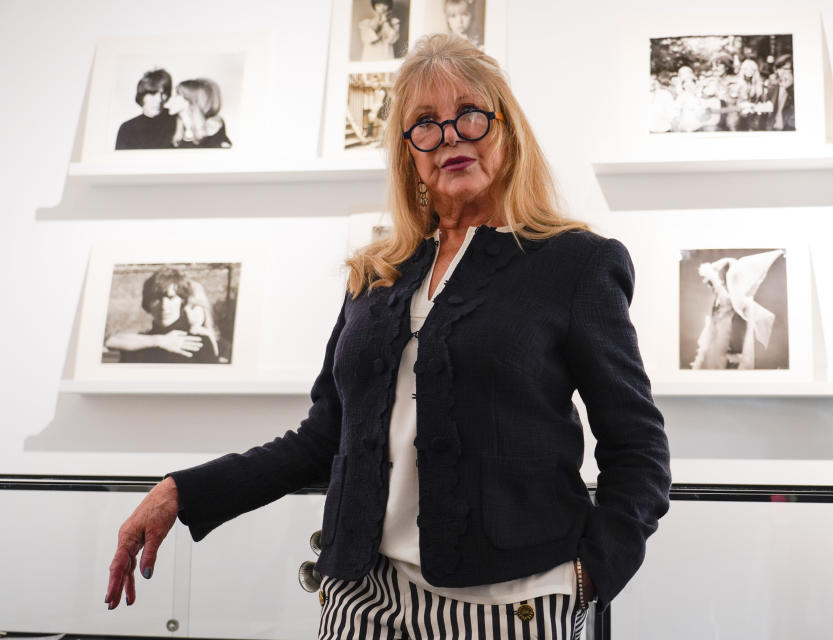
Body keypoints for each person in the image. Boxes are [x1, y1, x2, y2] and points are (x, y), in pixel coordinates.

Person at [104, 34, 670, 639]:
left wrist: (596, 570)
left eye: (470, 115)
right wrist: (181, 491)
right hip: (360, 594)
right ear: (410, 154)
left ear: (506, 128)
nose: (450, 135)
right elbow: (322, 436)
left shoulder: (575, 264)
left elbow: (637, 445)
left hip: (509, 601)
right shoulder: (377, 274)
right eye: (425, 124)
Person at [104, 267, 221, 364]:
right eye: (156, 299)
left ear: (182, 301)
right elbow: (109, 341)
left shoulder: (197, 342)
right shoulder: (136, 344)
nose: (164, 306)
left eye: (171, 298)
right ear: (148, 303)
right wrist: (160, 341)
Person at [115, 69, 178, 150]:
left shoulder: (177, 121)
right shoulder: (128, 128)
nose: (159, 99)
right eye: (153, 94)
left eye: (163, 94)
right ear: (142, 96)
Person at [164, 79, 232, 149]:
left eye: (176, 95)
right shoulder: (171, 125)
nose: (169, 99)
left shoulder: (214, 127)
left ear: (190, 100)